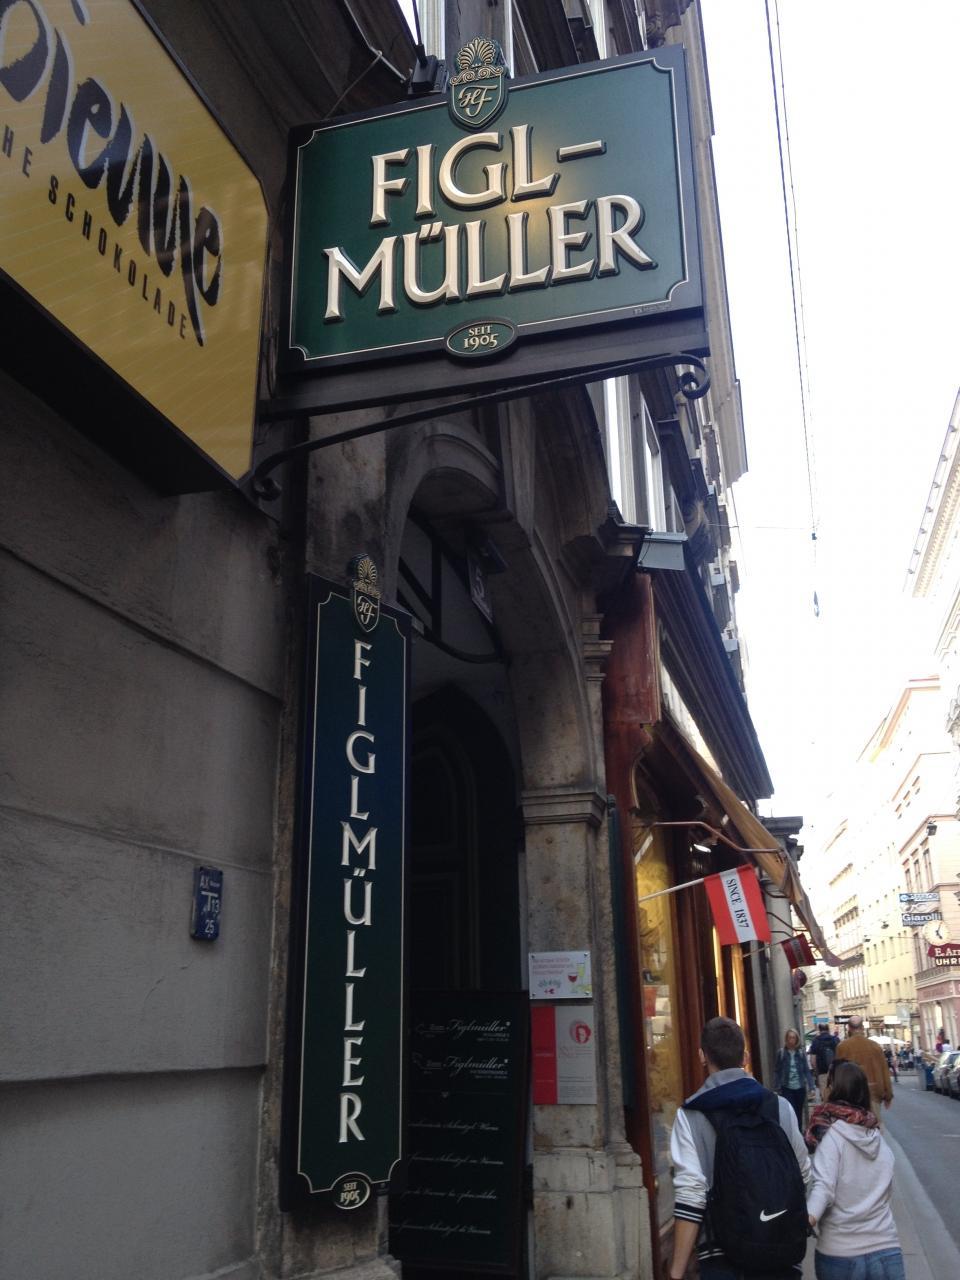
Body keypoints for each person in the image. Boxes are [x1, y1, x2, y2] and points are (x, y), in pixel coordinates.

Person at [668, 1016, 811, 1279]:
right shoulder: (780, 1107)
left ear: (702, 1056)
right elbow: (803, 1174)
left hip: (721, 1256)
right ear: (745, 1057)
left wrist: (676, 1271)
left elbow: (691, 1196)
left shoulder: (691, 1115)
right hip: (780, 1252)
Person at [806, 1061, 905, 1279]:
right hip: (886, 1250)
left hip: (841, 1254)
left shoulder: (832, 1138)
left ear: (834, 1090)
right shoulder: (878, 1139)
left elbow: (824, 1188)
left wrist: (806, 1219)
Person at [835, 1016, 892, 1124]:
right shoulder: (875, 1046)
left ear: (849, 1028)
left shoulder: (842, 1047)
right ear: (862, 1027)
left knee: (854, 1128)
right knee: (874, 1126)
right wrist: (888, 1095)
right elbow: (884, 1071)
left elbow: (838, 1074)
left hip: (850, 1095)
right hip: (873, 1093)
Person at [775, 1027, 815, 1126]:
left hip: (800, 1088)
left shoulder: (801, 1053)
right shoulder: (781, 1053)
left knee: (798, 1113)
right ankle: (792, 1133)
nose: (791, 1040)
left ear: (797, 1039)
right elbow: (777, 1071)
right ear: (786, 1039)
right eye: (790, 1037)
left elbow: (806, 1070)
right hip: (787, 1087)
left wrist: (811, 1087)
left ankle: (799, 1132)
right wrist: (776, 1087)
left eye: (793, 1038)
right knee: (790, 1112)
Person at [809, 1023, 839, 1096]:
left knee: (825, 1095)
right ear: (828, 1029)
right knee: (837, 1095)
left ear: (819, 1030)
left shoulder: (816, 1041)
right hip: (835, 1073)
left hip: (822, 1073)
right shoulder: (836, 1039)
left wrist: (816, 1072)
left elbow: (812, 1060)